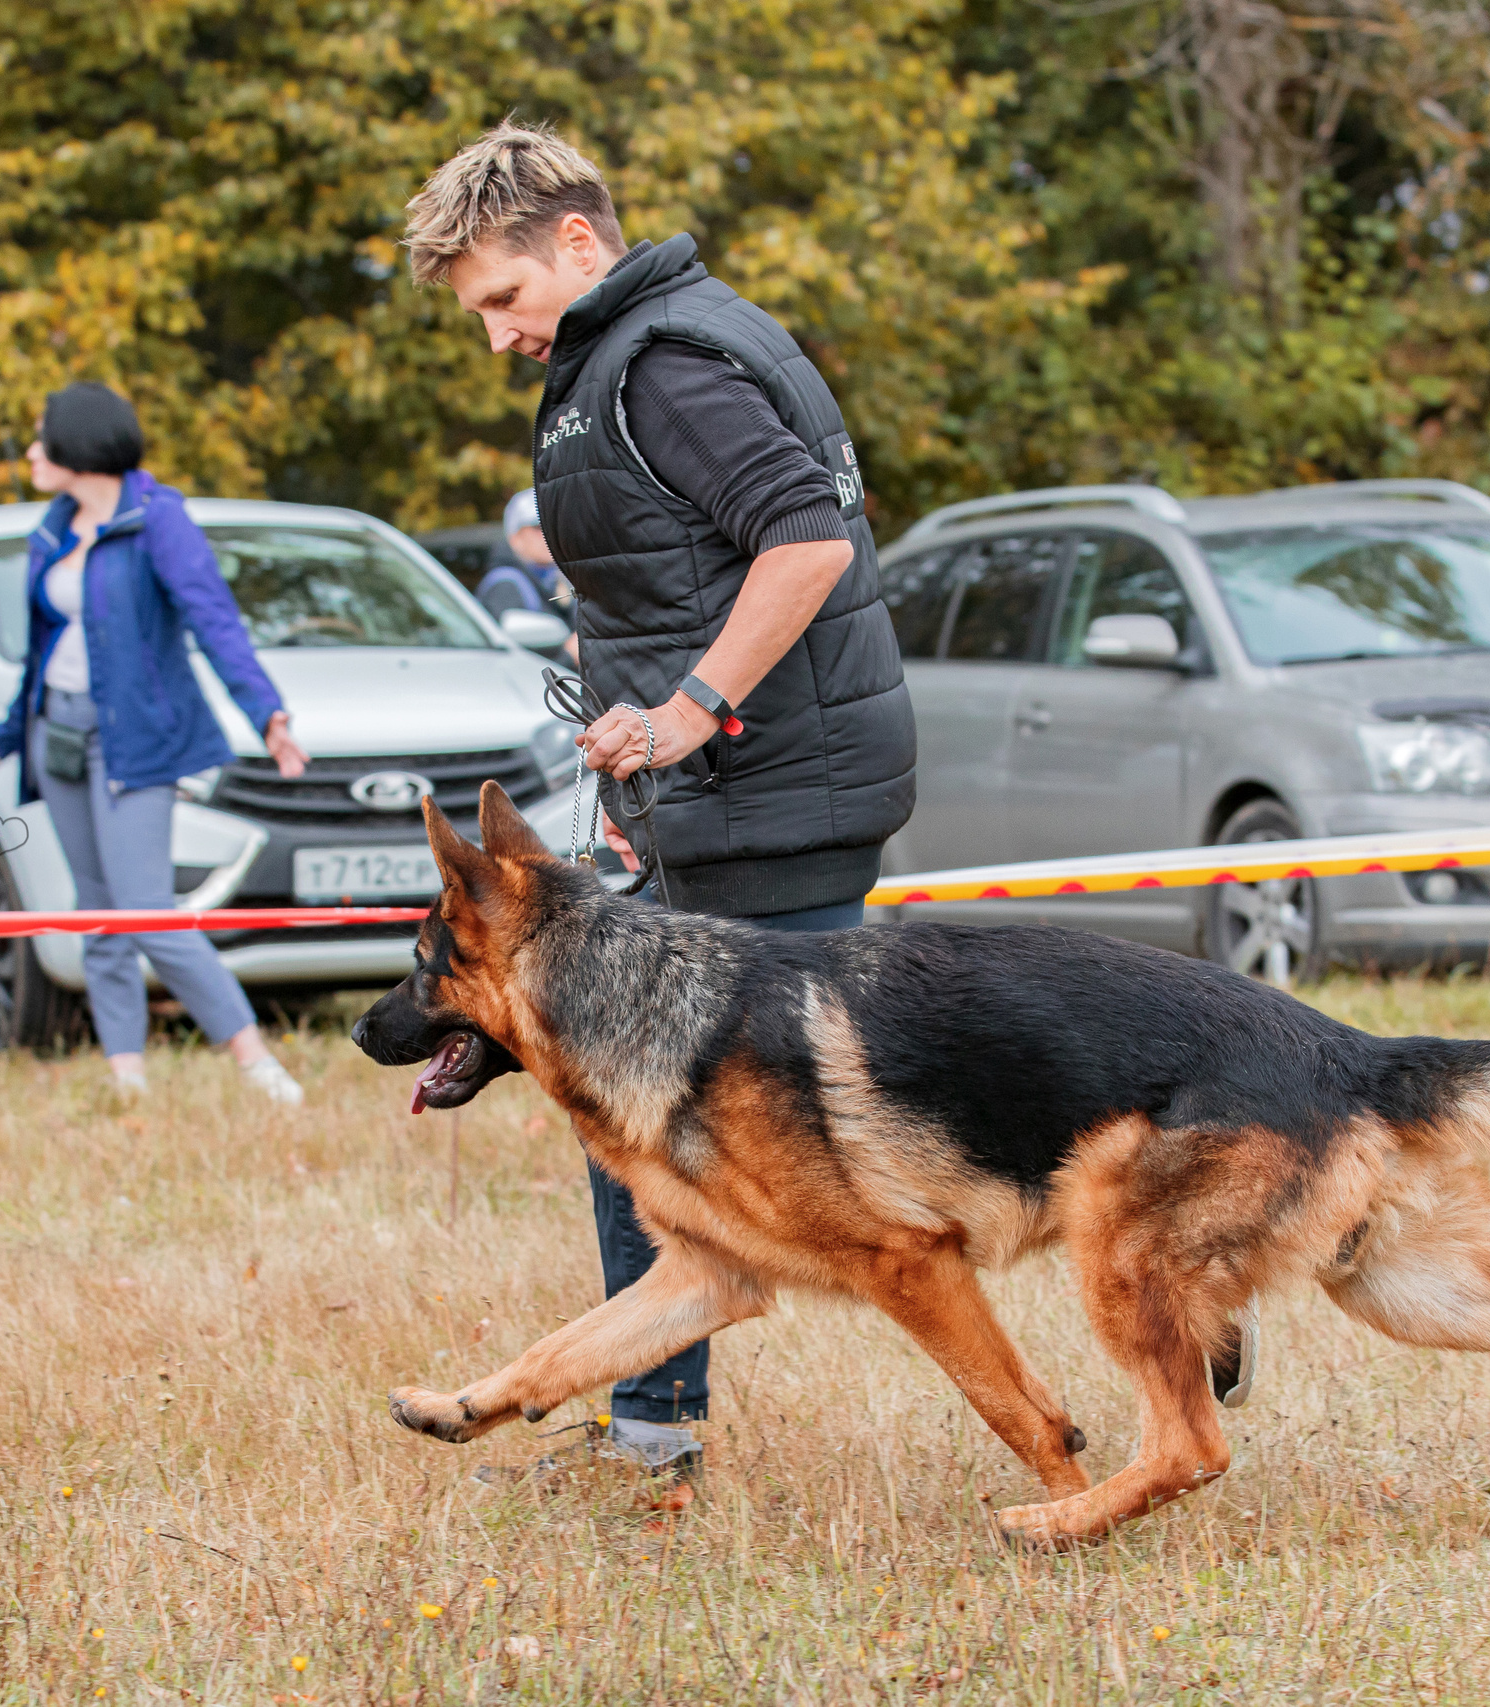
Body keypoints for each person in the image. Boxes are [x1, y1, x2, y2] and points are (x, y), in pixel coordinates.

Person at [404, 122, 916, 1468]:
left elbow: (803, 541)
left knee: (751, 1124)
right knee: (700, 1114)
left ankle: (649, 1429)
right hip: (723, 795)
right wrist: (617, 671)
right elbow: (660, 559)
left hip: (767, 787)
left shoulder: (671, 359)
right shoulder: (615, 358)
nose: (500, 335)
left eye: (504, 301)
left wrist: (692, 708)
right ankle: (650, 1423)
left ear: (577, 242)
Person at [0, 382, 309, 1104]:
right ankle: (126, 1075)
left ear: (79, 444)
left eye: (41, 438)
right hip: (60, 736)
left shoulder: (158, 520)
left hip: (136, 743)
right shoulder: (54, 528)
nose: (31, 453)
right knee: (96, 910)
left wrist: (266, 713)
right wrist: (4, 734)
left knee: (146, 909)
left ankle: (256, 1061)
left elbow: (215, 621)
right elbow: (43, 648)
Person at [475, 488, 568, 621]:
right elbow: (511, 639)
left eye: (554, 526)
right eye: (538, 528)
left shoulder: (556, 578)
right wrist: (565, 642)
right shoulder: (505, 585)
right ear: (515, 538)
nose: (549, 535)